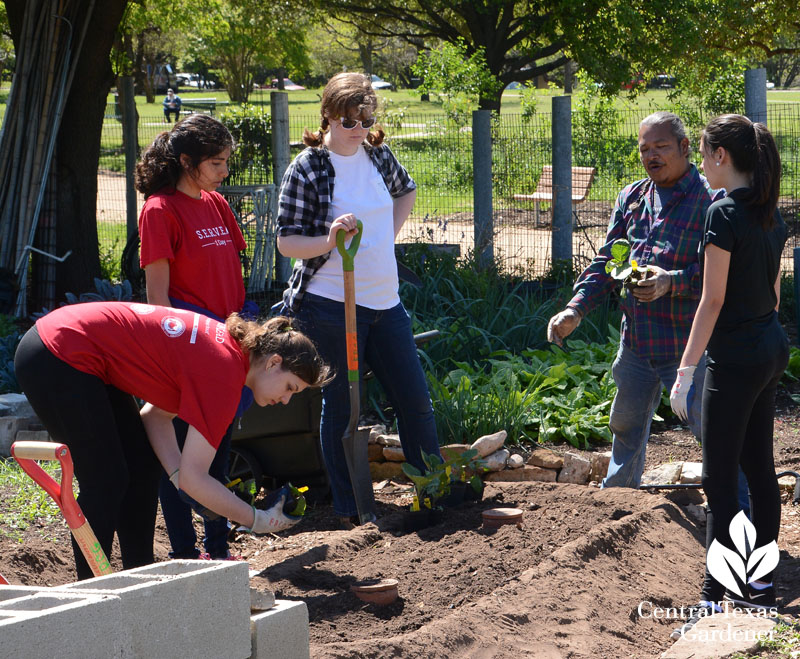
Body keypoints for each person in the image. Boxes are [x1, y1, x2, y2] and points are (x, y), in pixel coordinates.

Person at [14, 303, 330, 580]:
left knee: (141, 466)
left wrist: (177, 477)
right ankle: (92, 593)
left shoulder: (229, 355)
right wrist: (257, 520)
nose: (287, 400)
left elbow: (154, 417)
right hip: (57, 353)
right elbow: (197, 478)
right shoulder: (225, 375)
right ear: (273, 362)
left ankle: (140, 578)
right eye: (291, 387)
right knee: (106, 479)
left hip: (74, 349)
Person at [274, 72, 441, 528]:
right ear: (328, 115)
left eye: (365, 119)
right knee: (344, 407)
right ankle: (350, 508)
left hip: (386, 302)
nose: (358, 129)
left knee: (415, 400)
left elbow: (405, 191)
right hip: (329, 305)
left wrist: (385, 237)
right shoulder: (308, 167)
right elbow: (287, 243)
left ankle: (434, 492)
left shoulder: (376, 155)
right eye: (349, 120)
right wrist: (329, 240)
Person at [547, 111, 714, 488]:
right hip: (637, 341)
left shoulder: (710, 199)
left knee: (711, 430)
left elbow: (722, 274)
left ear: (685, 148)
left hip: (689, 345)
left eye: (661, 147)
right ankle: (619, 505)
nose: (651, 155)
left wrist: (672, 282)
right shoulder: (633, 196)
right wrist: (575, 309)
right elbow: (608, 261)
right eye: (644, 149)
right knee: (625, 426)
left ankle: (736, 510)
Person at [669, 115, 788, 637]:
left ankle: (713, 599)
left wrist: (686, 370)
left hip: (735, 361)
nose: (700, 164)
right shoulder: (769, 212)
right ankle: (761, 590)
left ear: (721, 155)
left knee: (720, 480)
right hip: (770, 351)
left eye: (702, 153)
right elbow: (776, 292)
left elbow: (712, 299)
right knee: (760, 471)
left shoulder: (721, 213)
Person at [136, 113, 257, 561]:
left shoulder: (216, 204)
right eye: (218, 162)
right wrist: (175, 363)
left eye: (227, 160)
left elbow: (230, 275)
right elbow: (157, 298)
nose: (225, 171)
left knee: (217, 455)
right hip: (189, 349)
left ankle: (219, 552)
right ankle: (186, 555)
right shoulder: (159, 210)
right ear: (187, 161)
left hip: (229, 343)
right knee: (187, 463)